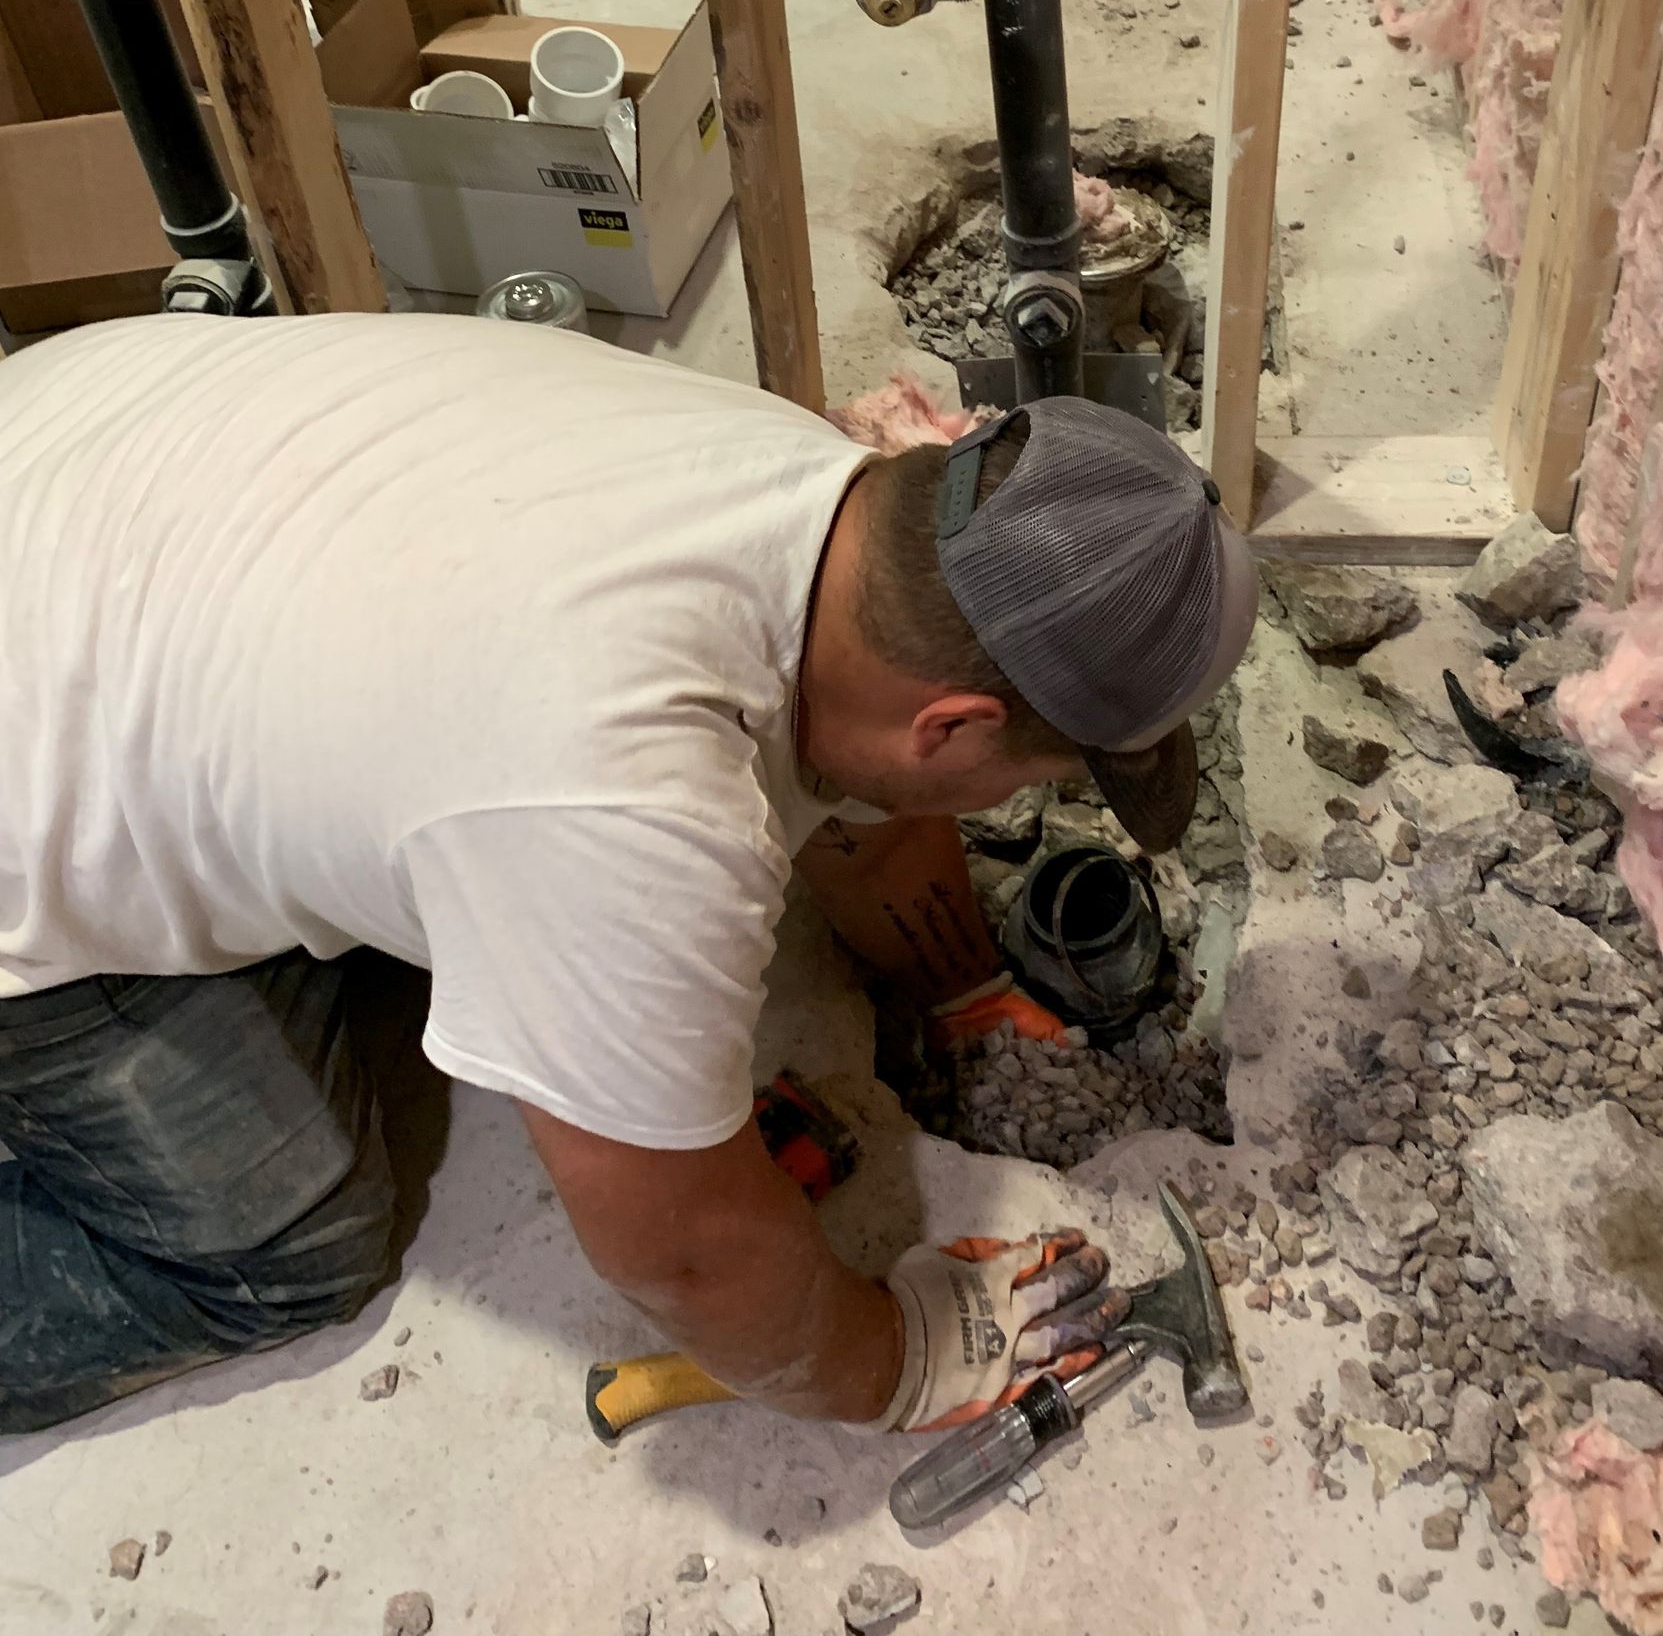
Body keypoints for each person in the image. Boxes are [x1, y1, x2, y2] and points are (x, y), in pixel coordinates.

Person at [0, 312, 1257, 1437]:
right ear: (954, 727)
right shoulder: (628, 810)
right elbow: (686, 1256)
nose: (1020, 802)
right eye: (1031, 777)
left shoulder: (818, 495)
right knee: (291, 1244)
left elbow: (866, 786)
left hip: (78, 452)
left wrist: (965, 991)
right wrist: (907, 1355)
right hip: (28, 771)